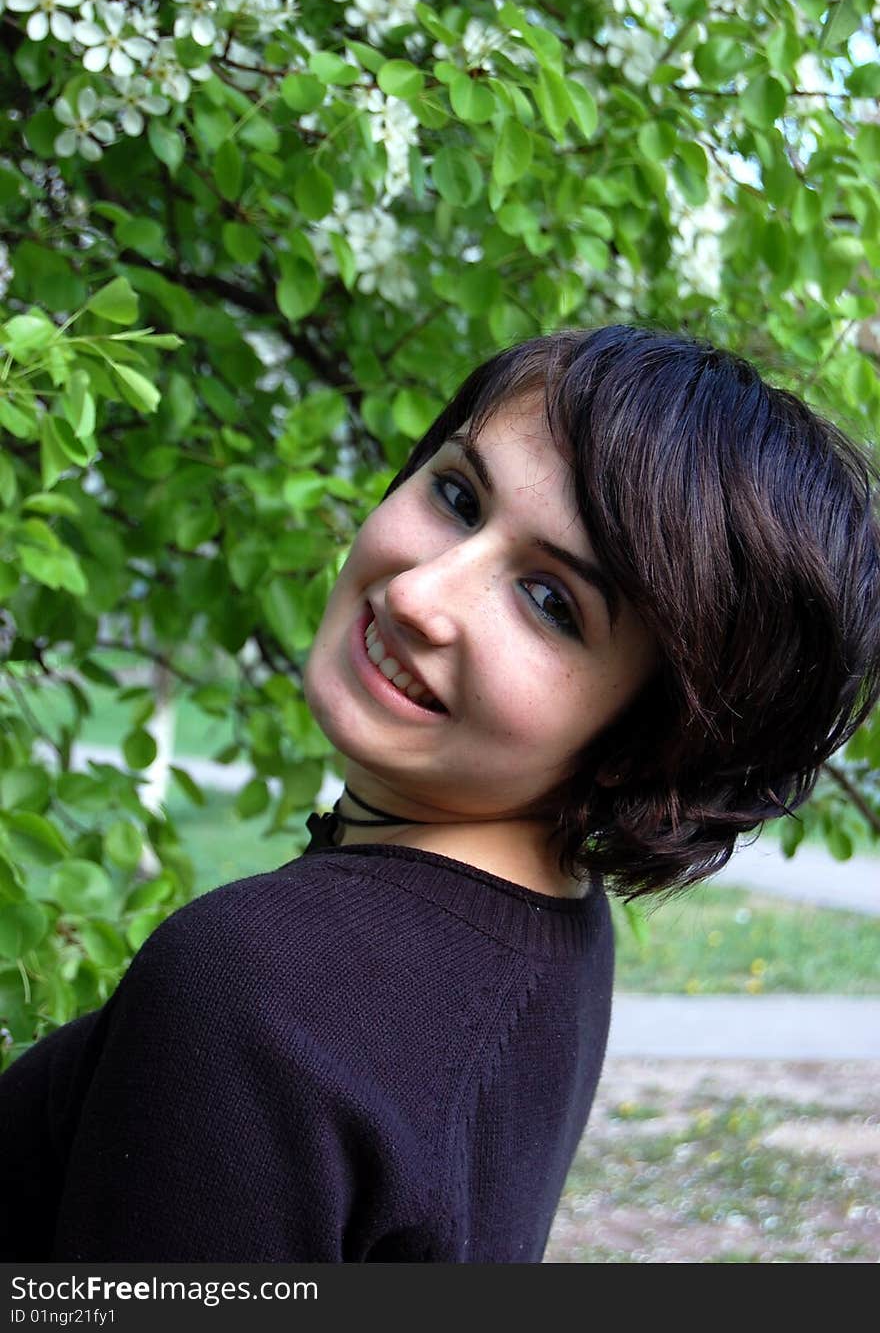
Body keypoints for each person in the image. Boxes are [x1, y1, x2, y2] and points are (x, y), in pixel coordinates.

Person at [2, 324, 879, 1262]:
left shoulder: (256, 993)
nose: (421, 593)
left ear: (646, 743)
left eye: (550, 601)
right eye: (459, 496)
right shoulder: (551, 922)